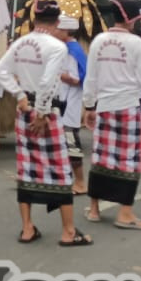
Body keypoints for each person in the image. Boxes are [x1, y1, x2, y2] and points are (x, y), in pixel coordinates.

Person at [0, 0, 92, 247]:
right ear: (57, 21)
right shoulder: (57, 47)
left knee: (27, 168)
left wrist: (20, 95)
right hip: (46, 113)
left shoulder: (20, 42)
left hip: (24, 109)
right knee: (59, 169)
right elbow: (48, 82)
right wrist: (42, 113)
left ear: (34, 20)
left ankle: (27, 228)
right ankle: (68, 231)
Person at [82, 0, 141, 230]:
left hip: (103, 106)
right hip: (127, 105)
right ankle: (125, 214)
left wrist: (89, 106)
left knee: (101, 157)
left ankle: (94, 209)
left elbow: (90, 77)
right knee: (129, 159)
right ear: (132, 19)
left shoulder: (99, 41)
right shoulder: (137, 44)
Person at [56, 14, 88, 195]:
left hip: (69, 104)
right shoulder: (67, 48)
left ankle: (81, 182)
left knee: (71, 144)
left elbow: (76, 79)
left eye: (57, 29)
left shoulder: (72, 51)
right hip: (63, 103)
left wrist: (57, 74)